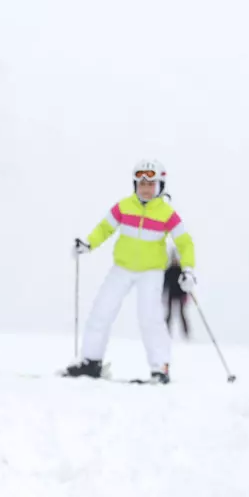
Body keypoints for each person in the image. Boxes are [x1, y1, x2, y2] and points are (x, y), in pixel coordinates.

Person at [67, 160, 196, 383]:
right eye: (141, 183)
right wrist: (88, 244)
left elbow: (184, 242)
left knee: (150, 318)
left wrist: (188, 270)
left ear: (160, 186)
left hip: (151, 272)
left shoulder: (167, 213)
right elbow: (105, 228)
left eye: (151, 184)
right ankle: (91, 361)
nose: (145, 189)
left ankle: (160, 368)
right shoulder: (124, 206)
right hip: (122, 268)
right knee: (101, 311)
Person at [163, 248, 190, 339]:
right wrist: (163, 294)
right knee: (169, 314)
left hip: (180, 295)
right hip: (171, 294)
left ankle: (186, 334)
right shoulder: (169, 271)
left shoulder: (181, 271)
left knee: (182, 314)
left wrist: (186, 295)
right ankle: (166, 332)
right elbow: (165, 284)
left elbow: (185, 284)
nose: (175, 260)